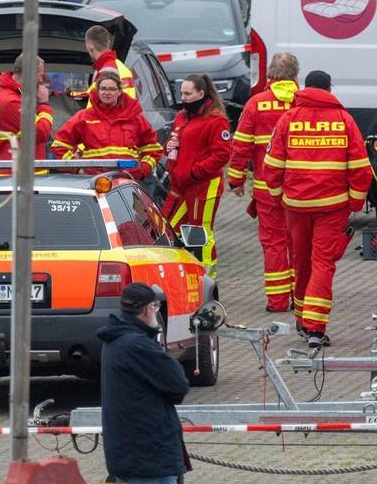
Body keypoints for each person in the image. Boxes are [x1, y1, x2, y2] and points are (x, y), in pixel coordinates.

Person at [261, 70, 371, 348]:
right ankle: (314, 328)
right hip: (333, 206)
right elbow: (360, 167)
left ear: (304, 88)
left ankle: (301, 317)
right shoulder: (344, 119)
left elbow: (271, 166)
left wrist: (277, 197)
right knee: (323, 263)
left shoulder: (288, 119)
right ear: (330, 89)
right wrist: (355, 204)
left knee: (301, 261)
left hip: (296, 205)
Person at [98, 282, 189, 484]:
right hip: (148, 458)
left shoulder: (114, 341)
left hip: (126, 453)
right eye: (156, 307)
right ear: (148, 309)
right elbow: (178, 384)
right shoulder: (137, 345)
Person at [228, 52, 299, 311]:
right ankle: (298, 298)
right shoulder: (304, 104)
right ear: (295, 75)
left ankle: (278, 301)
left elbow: (241, 145)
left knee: (273, 243)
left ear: (270, 75)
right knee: (297, 243)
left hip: (267, 189)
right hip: (300, 190)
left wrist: (236, 179)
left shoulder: (256, 104)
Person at [164, 74, 231, 278]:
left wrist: (194, 172)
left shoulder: (216, 120)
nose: (182, 97)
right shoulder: (182, 116)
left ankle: (207, 280)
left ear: (201, 93)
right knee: (169, 228)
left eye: (187, 93)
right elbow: (179, 146)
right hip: (180, 185)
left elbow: (221, 155)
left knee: (200, 233)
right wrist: (169, 148)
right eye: (181, 93)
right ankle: (182, 274)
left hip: (203, 185)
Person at [51, 71, 161, 181]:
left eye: (112, 89)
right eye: (103, 89)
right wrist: (77, 169)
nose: (107, 92)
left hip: (126, 181)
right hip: (93, 181)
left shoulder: (134, 117)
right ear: (97, 91)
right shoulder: (84, 117)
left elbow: (153, 149)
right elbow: (59, 145)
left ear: (119, 92)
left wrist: (142, 171)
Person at [0, 56, 53, 168]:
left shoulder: (7, 93)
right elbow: (40, 133)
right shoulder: (11, 102)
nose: (41, 80)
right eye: (39, 75)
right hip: (15, 176)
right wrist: (44, 104)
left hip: (14, 172)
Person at [85, 24, 136, 101]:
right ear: (108, 43)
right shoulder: (119, 67)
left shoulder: (106, 73)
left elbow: (104, 108)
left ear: (90, 46)